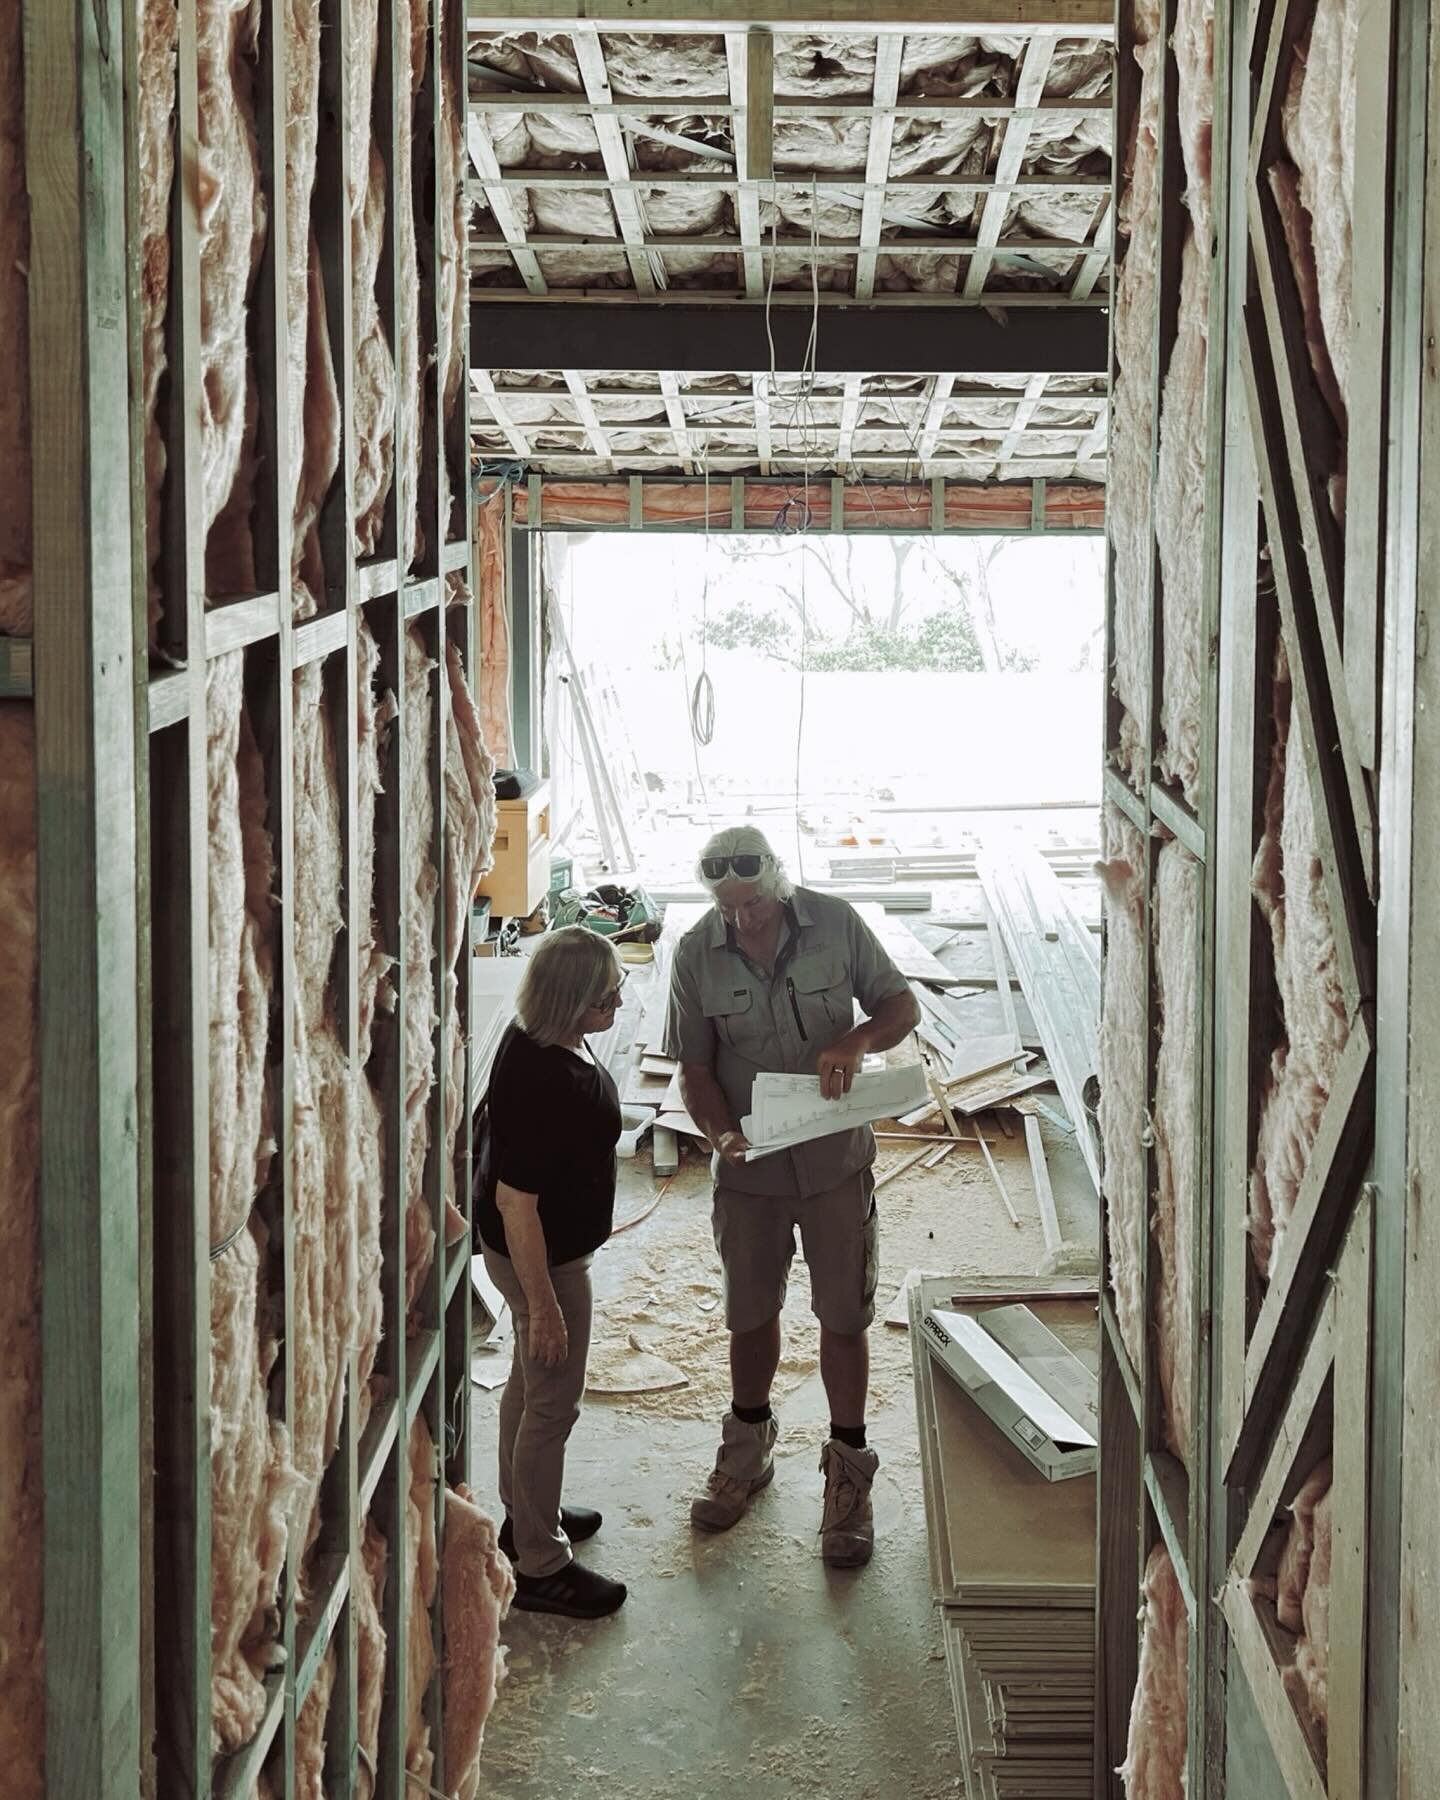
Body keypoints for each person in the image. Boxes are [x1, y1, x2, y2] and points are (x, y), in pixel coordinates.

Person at [661, 825, 921, 1567]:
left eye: (752, 907)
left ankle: (848, 1474)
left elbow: (902, 1007)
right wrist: (718, 1137)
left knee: (843, 1313)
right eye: (727, 909)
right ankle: (747, 1448)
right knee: (750, 1312)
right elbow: (696, 1071)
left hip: (834, 1160)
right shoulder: (693, 951)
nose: (741, 920)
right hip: (750, 1168)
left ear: (777, 886)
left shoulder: (835, 922)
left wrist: (858, 1041)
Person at [474, 926, 629, 1618]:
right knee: (553, 1401)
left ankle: (523, 1516)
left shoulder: (533, 1035)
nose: (619, 1005)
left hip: (543, 1252)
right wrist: (545, 1305)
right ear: (571, 1003)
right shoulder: (547, 1080)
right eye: (606, 999)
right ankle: (539, 1562)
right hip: (545, 1260)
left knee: (529, 1384)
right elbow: (516, 1201)